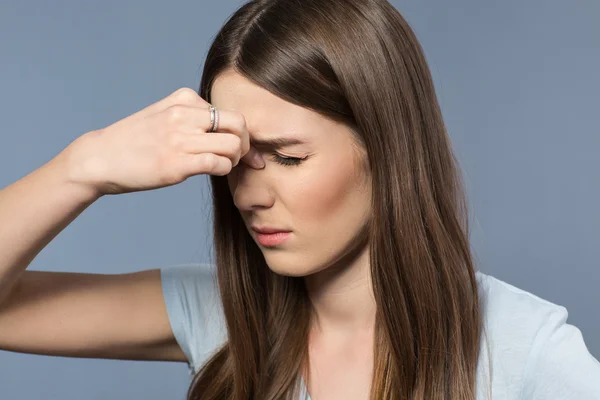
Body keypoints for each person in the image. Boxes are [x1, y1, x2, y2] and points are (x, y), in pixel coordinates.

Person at [1, 0, 599, 399]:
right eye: (234, 160)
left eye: (288, 156)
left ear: (387, 148)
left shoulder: (525, 348)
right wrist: (84, 167)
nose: (249, 195)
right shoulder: (221, 313)